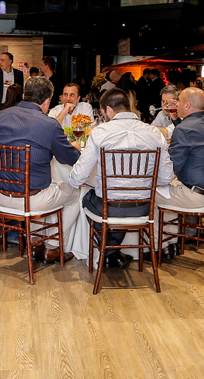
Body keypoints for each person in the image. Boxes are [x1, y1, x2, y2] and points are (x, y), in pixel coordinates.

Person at [0, 76, 82, 264]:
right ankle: (52, 248)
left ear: (24, 96)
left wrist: (3, 160)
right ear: (47, 101)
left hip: (2, 196)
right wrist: (75, 147)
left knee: (46, 187)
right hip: (32, 199)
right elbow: (70, 159)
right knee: (74, 194)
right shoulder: (49, 124)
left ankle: (36, 244)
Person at [69, 88, 173, 268]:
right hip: (143, 208)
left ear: (108, 110)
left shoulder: (100, 132)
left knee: (86, 198)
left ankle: (108, 251)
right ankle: (113, 252)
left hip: (109, 209)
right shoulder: (155, 133)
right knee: (113, 199)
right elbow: (166, 178)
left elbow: (77, 178)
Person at [156, 87, 204, 218]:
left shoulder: (183, 129)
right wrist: (176, 120)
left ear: (187, 105)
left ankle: (166, 232)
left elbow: (171, 169)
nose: (176, 104)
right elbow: (192, 134)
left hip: (195, 196)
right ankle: (187, 229)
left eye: (179, 101)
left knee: (148, 194)